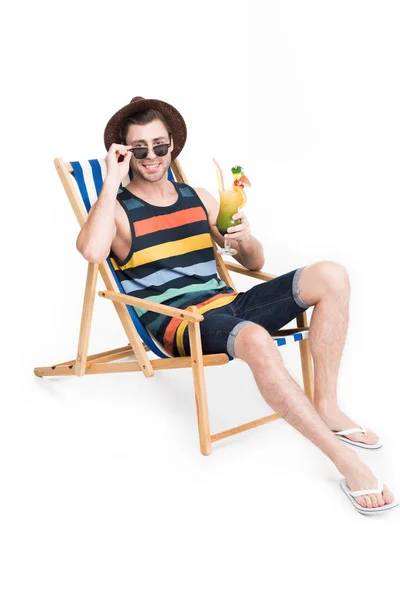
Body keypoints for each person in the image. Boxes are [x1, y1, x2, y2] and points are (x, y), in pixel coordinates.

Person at [76, 96, 397, 513]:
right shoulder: (117, 210)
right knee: (255, 338)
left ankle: (328, 406)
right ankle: (346, 463)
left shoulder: (200, 196)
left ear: (172, 144)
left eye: (159, 145)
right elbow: (92, 251)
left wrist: (244, 238)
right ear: (124, 153)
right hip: (182, 324)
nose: (151, 156)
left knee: (332, 274)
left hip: (230, 303)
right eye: (139, 148)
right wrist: (108, 181)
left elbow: (254, 262)